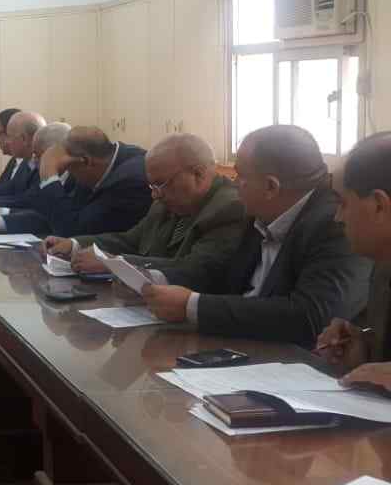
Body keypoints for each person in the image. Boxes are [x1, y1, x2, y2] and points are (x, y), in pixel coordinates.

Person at [142, 125, 372, 346]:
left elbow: (311, 316)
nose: (234, 183)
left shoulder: (335, 224)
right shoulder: (260, 213)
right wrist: (150, 279)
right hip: (238, 345)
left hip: (288, 359)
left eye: (240, 176)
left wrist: (193, 307)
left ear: (271, 187)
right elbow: (217, 270)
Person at [44, 133, 245, 273]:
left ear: (198, 174)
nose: (155, 195)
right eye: (152, 185)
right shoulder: (166, 202)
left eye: (161, 184)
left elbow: (194, 269)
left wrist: (114, 264)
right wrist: (74, 244)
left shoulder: (228, 208)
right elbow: (130, 240)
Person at [0, 127, 151, 237]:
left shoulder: (128, 182)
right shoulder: (95, 163)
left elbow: (71, 229)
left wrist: (50, 176)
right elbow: (53, 216)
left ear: (85, 161)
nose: (37, 165)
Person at [315, 132, 391, 391]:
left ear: (379, 205)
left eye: (343, 203)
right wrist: (365, 350)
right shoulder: (382, 267)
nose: (338, 217)